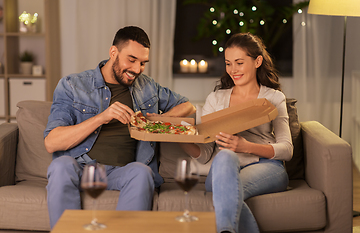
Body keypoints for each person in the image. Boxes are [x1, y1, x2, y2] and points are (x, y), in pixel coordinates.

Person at [44, 26, 196, 228]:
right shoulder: (73, 85)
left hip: (123, 172)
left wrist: (155, 122)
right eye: (131, 60)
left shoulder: (147, 87)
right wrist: (101, 118)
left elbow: (188, 106)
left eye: (143, 63)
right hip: (81, 167)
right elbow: (52, 142)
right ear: (113, 52)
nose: (137, 69)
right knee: (60, 166)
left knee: (142, 172)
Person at [179, 32, 293, 233]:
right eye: (228, 63)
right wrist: (181, 138)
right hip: (223, 168)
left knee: (224, 190)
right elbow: (205, 154)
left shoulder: (274, 97)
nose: (233, 70)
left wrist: (246, 146)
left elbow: (287, 150)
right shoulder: (216, 99)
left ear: (257, 61)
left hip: (266, 167)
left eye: (239, 63)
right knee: (224, 157)